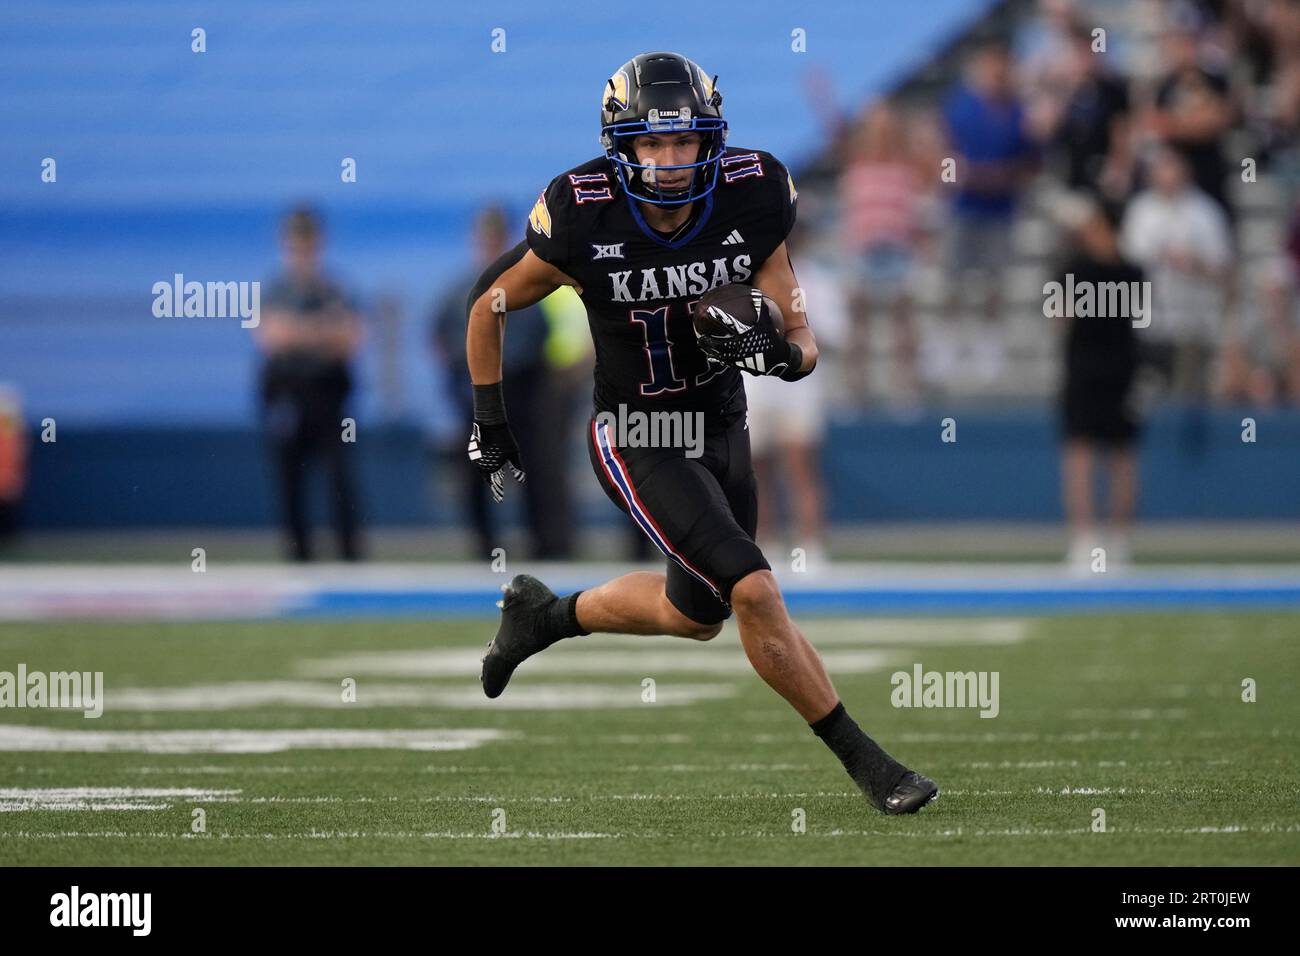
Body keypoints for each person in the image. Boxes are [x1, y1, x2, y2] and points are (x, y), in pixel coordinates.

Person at [463, 52, 937, 815]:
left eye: (686, 142)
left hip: (723, 425)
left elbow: (802, 334)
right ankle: (872, 767)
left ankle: (543, 617)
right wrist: (491, 422)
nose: (672, 161)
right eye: (653, 144)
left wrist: (779, 353)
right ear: (624, 145)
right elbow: (485, 303)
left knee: (696, 616)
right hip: (636, 433)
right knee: (752, 585)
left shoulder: (753, 194)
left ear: (710, 139)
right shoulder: (582, 210)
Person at [432, 206, 571, 560]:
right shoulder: (459, 290)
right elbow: (440, 337)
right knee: (479, 471)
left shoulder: (529, 283)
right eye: (485, 237)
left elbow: (545, 340)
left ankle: (545, 546)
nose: (489, 245)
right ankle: (484, 546)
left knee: (536, 472)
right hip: (478, 394)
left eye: (496, 237)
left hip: (524, 393)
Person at [255, 207, 364, 562]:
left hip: (328, 393)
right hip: (288, 391)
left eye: (308, 241)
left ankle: (349, 555)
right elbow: (272, 337)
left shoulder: (335, 287)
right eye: (296, 242)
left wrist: (299, 331)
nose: (302, 249)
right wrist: (322, 330)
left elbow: (351, 338)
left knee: (340, 476)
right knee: (290, 478)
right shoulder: (276, 289)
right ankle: (298, 555)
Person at [1054, 197, 1143, 572]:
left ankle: (1087, 540)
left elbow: (1059, 319)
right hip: (1121, 369)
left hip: (1087, 369)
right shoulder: (1133, 271)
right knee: (1118, 454)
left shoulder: (1074, 268)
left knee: (1084, 454)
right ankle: (1115, 541)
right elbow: (1140, 319)